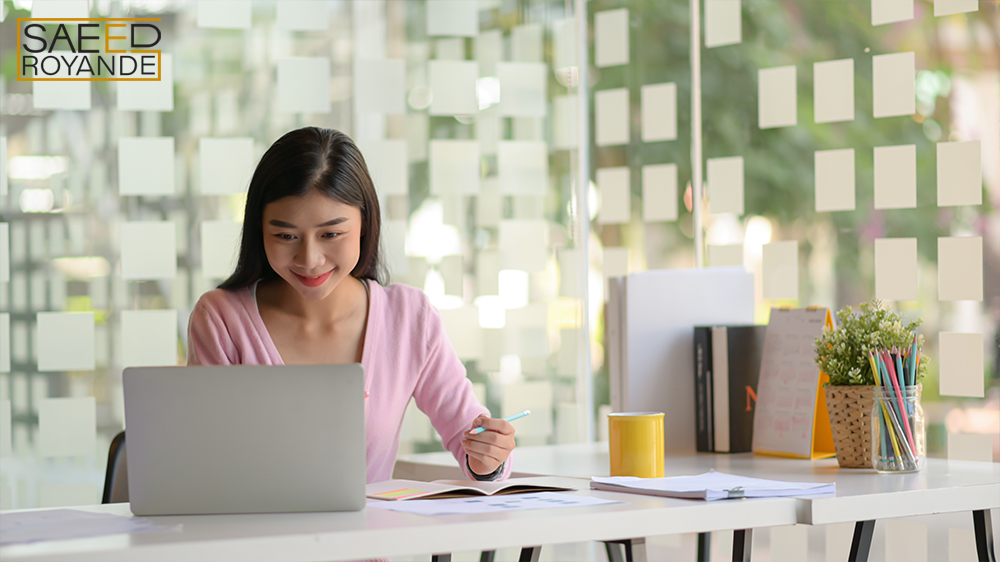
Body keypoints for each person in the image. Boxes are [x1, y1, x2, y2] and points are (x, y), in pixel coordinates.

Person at [186, 126, 515, 483]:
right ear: (258, 231)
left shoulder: (408, 318)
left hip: (370, 538)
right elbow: (204, 463)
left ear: (363, 224)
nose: (309, 259)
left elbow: (472, 440)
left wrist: (489, 458)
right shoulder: (220, 319)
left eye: (330, 234)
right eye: (285, 236)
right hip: (252, 537)